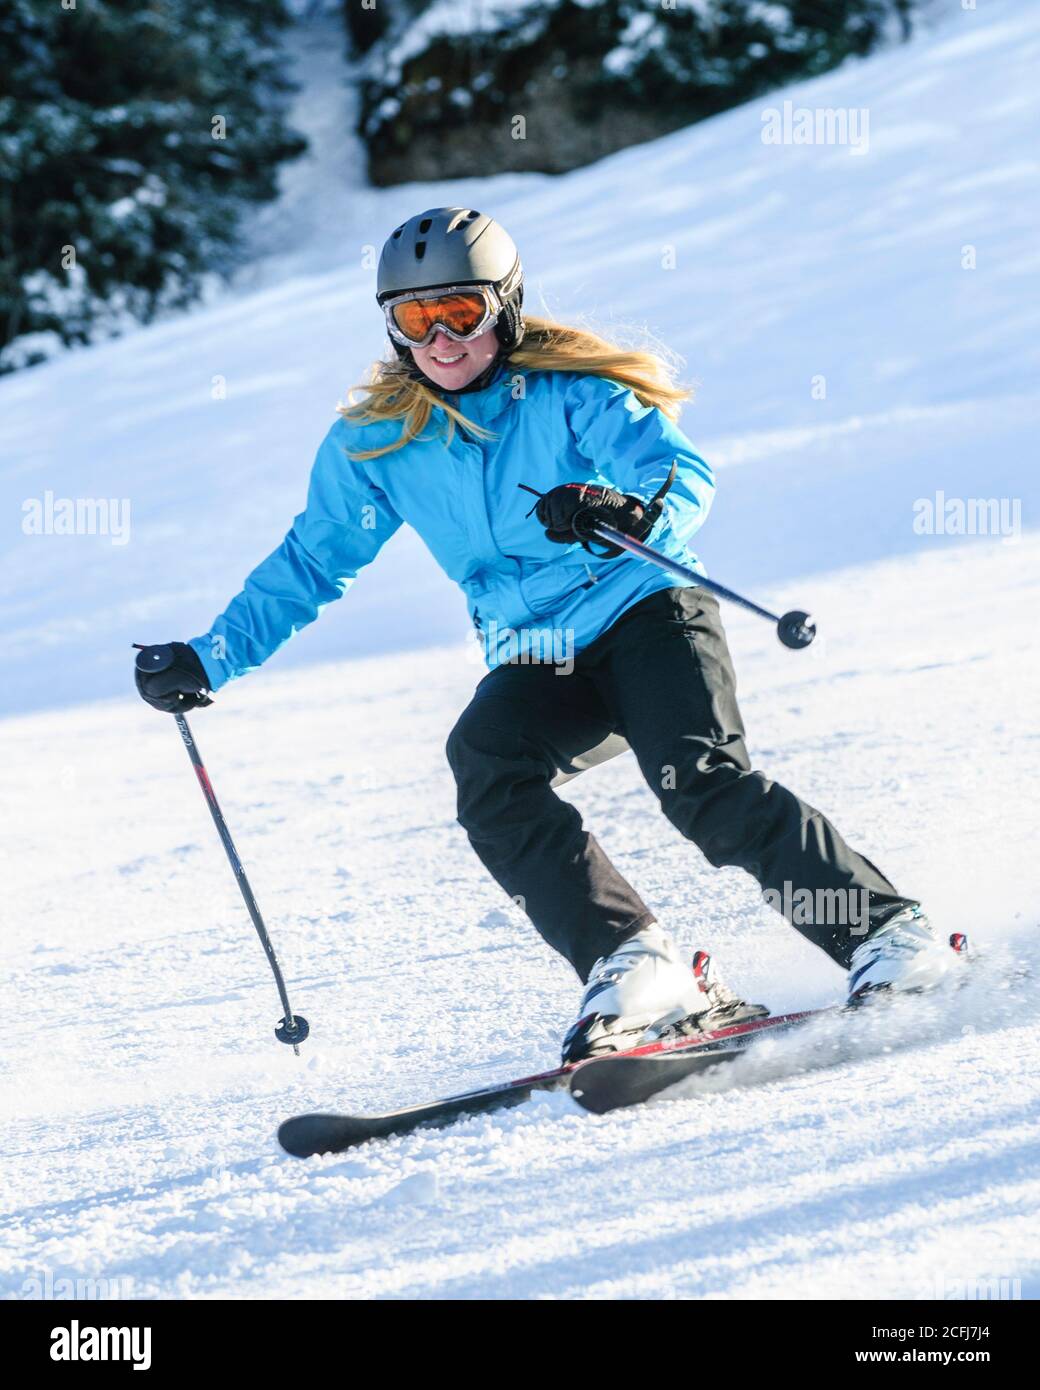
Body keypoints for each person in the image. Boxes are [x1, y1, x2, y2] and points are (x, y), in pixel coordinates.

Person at [135, 206, 960, 1062]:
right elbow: (313, 560)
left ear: (506, 305)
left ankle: (889, 934)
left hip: (647, 608)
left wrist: (624, 509)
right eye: (416, 319)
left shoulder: (571, 394)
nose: (442, 339)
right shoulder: (378, 440)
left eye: (461, 311)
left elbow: (677, 468)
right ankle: (634, 963)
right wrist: (211, 655)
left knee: (699, 780)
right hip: (538, 651)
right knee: (488, 767)